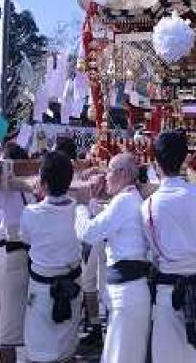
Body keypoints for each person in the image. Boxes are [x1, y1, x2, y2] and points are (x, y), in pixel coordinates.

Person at [141, 130, 196, 363]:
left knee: (168, 355)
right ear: (185, 160)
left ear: (156, 163)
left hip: (169, 290)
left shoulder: (148, 205)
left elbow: (152, 247)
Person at [75, 153, 151, 363]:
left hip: (127, 293)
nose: (105, 176)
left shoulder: (125, 201)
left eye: (108, 170)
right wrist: (90, 202)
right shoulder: (127, 199)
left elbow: (89, 233)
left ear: (124, 174)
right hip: (127, 292)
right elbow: (105, 220)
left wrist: (80, 205)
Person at [20, 151, 83, 362]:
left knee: (39, 350)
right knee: (66, 348)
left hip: (43, 289)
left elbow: (26, 240)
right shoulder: (78, 209)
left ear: (44, 183)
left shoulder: (31, 212)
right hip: (71, 284)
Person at [56, 136, 104, 348]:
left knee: (88, 282)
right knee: (84, 282)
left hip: (87, 233)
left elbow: (90, 207)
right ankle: (89, 323)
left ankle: (94, 326)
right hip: (73, 234)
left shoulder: (79, 176)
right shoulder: (74, 174)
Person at [0, 142, 36, 363]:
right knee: (30, 325)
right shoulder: (31, 186)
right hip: (33, 256)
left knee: (7, 333)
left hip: (14, 255)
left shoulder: (6, 188)